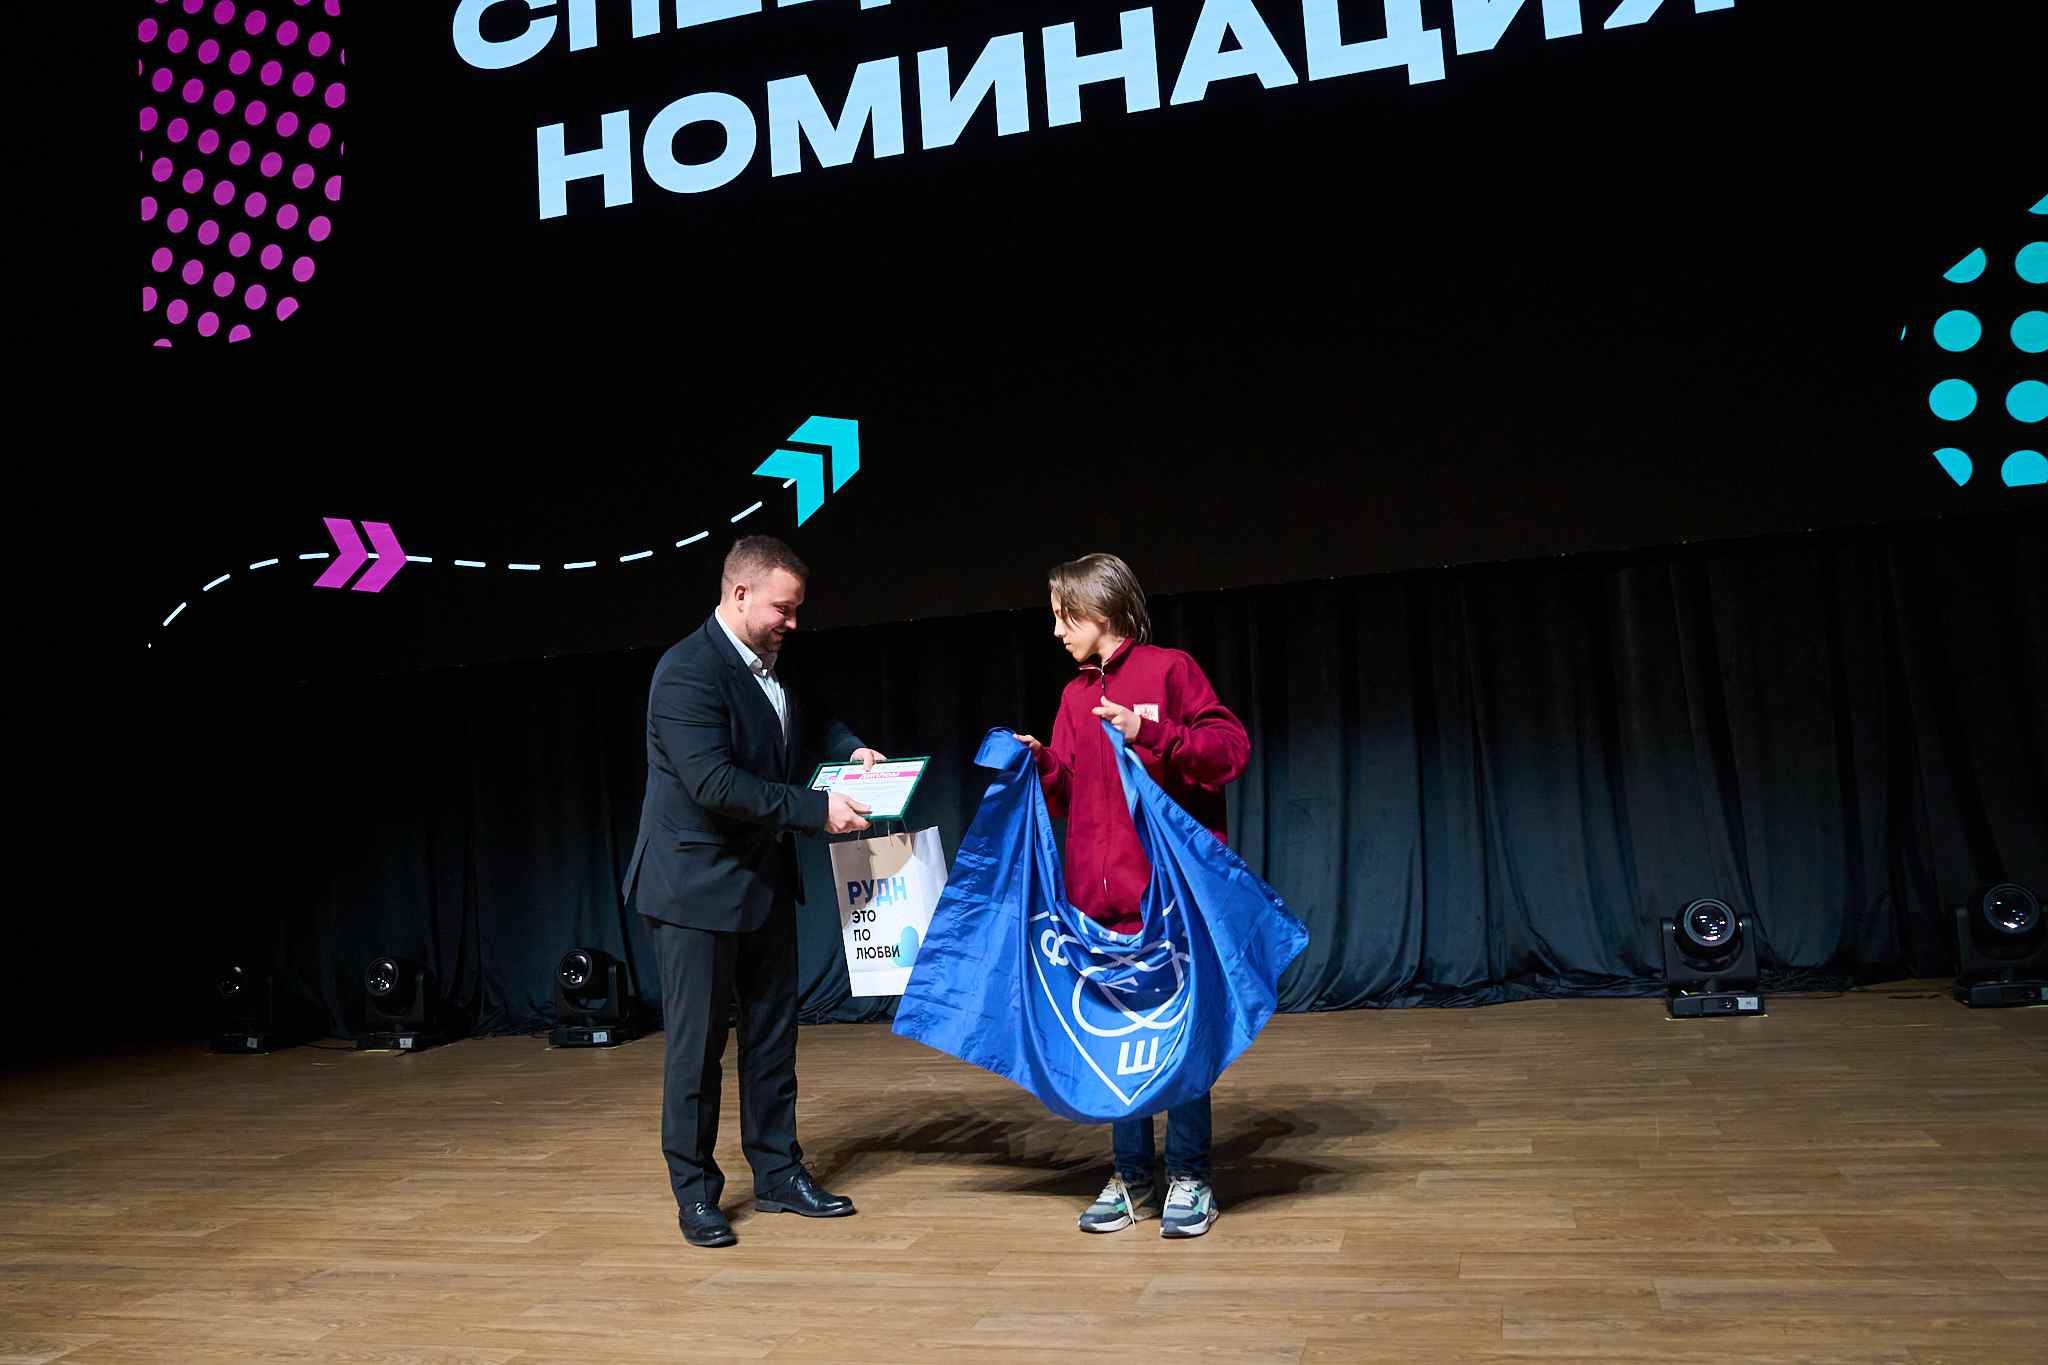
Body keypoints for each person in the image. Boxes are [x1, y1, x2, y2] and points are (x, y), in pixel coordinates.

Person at [623, 534, 885, 1248]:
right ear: (739, 594)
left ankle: (778, 1174)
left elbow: (809, 718)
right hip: (693, 889)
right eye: (782, 609)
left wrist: (851, 750)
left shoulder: (768, 662)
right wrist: (816, 809)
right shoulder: (686, 672)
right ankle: (695, 1194)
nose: (792, 623)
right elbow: (713, 783)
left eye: (796, 610)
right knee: (697, 1050)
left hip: (761, 881)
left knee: (772, 1038)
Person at [1013, 552, 1251, 1238]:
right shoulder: (1073, 697)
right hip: (1098, 904)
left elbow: (1229, 750)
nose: (1057, 631)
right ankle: (1131, 1177)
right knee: (1123, 1041)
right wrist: (1042, 762)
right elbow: (1067, 793)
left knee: (1180, 1038)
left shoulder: (1169, 670)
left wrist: (1151, 732)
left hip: (1169, 900)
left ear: (1100, 609)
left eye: (1064, 616)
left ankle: (1190, 1174)